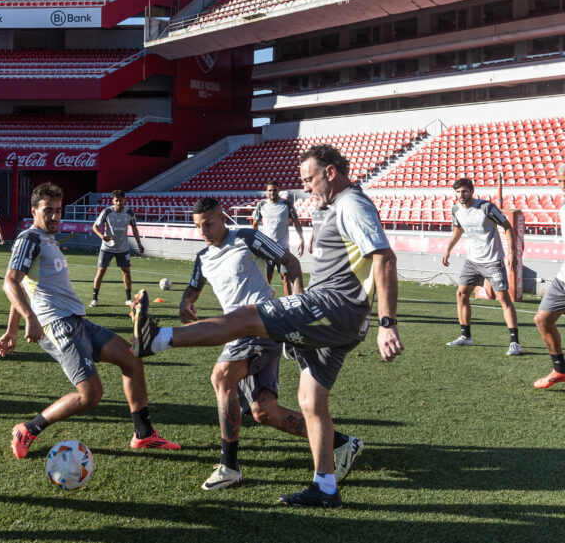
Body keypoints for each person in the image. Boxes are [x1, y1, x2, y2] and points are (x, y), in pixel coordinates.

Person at [132, 144, 403, 508]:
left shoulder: (352, 204)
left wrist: (388, 323)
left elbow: (384, 258)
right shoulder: (334, 206)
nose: (305, 187)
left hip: (334, 308)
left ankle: (157, 340)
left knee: (246, 318)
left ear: (331, 173)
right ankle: (326, 488)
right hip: (334, 316)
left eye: (309, 179)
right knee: (309, 401)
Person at [179, 196, 362, 490]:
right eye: (199, 226)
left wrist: (300, 299)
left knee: (221, 376)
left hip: (262, 324)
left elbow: (288, 260)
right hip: (237, 332)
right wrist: (185, 304)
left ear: (222, 218)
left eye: (209, 224)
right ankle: (342, 443)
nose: (204, 231)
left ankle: (229, 466)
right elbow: (192, 290)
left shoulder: (247, 238)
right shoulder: (202, 257)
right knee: (265, 411)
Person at [0, 182, 179, 459]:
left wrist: (11, 330)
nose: (55, 216)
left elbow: (23, 287)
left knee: (132, 358)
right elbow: (10, 282)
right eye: (48, 211)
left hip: (76, 321)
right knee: (90, 395)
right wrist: (28, 319)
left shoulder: (48, 239)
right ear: (34, 211)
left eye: (58, 210)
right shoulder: (29, 239)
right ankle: (28, 429)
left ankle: (143, 434)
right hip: (57, 325)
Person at [440, 177, 521, 356]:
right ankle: (466, 337)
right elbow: (458, 229)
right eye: (458, 192)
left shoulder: (486, 207)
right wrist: (448, 249)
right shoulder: (456, 210)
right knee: (461, 294)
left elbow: (507, 227)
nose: (461, 195)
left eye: (464, 191)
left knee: (503, 299)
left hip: (493, 260)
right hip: (472, 260)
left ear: (472, 191)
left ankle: (515, 342)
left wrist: (512, 253)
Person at [533, 164, 565, 388]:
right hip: (564, 279)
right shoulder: (563, 206)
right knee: (542, 320)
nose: (563, 186)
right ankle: (560, 370)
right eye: (560, 181)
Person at [90, 190, 144, 307]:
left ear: (125, 200)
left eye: (121, 200)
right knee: (101, 271)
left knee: (126, 273)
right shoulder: (107, 211)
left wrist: (139, 244)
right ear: (113, 201)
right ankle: (94, 299)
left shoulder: (129, 212)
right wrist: (102, 237)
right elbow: (94, 226)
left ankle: (128, 299)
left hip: (123, 248)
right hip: (107, 248)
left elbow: (134, 228)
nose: (119, 202)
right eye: (116, 200)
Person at [252, 181, 305, 296]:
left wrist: (302, 239)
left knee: (286, 279)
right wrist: (257, 241)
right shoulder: (261, 205)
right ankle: (265, 304)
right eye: (270, 190)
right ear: (267, 191)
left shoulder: (287, 204)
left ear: (279, 190)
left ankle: (289, 307)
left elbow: (296, 222)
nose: (272, 192)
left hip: (283, 249)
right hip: (267, 249)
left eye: (274, 190)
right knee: (267, 279)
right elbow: (255, 223)